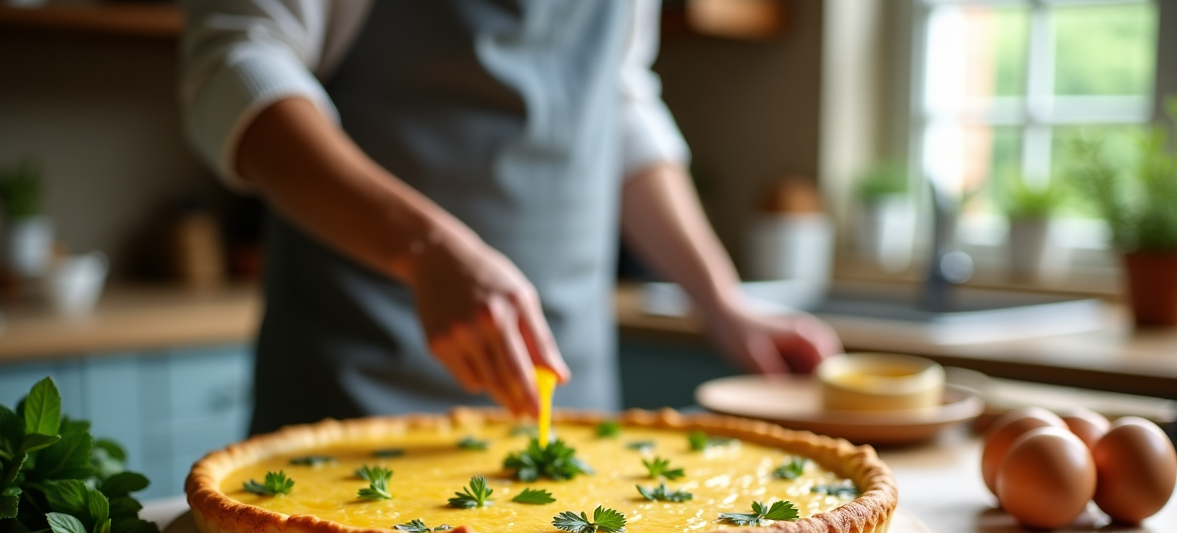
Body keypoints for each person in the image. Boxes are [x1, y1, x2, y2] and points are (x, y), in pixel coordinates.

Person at [179, 0, 841, 435]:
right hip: (359, 390)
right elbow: (235, 62)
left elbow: (617, 101)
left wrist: (722, 301)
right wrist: (424, 247)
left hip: (567, 394)